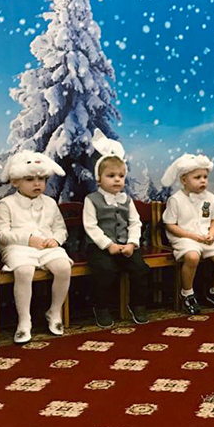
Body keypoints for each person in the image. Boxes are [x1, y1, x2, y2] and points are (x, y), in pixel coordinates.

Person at [0, 151, 72, 344]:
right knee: (24, 270)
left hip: (46, 247)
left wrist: (55, 240)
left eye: (41, 179)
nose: (37, 184)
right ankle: (24, 320)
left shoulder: (50, 203)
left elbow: (60, 229)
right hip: (16, 249)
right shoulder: (6, 204)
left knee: (63, 267)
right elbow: (1, 234)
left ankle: (54, 312)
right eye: (30, 179)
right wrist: (27, 239)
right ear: (15, 181)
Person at [82, 129, 150, 328]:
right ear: (99, 179)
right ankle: (101, 307)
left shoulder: (126, 200)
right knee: (105, 270)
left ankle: (138, 305)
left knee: (140, 269)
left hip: (125, 245)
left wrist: (132, 243)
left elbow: (135, 222)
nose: (117, 179)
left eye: (121, 176)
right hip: (100, 247)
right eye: (111, 176)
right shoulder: (91, 199)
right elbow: (91, 226)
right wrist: (108, 245)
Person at [161, 154, 214, 315]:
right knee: (192, 257)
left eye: (205, 177)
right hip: (184, 237)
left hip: (205, 236)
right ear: (184, 180)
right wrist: (192, 237)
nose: (203, 181)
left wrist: (212, 233)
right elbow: (170, 225)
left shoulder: (209, 198)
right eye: (197, 177)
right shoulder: (176, 199)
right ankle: (187, 293)